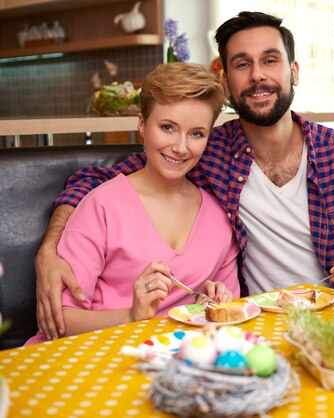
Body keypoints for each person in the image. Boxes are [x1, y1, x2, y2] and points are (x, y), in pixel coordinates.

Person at [35, 11, 334, 340]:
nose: (258, 75)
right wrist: (51, 248)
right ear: (227, 83)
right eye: (242, 64)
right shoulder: (208, 149)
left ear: (293, 71)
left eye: (270, 60)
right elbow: (96, 182)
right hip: (258, 328)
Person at [26, 62, 239, 344]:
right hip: (90, 360)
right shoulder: (101, 206)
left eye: (196, 133)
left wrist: (218, 300)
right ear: (141, 124)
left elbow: (231, 311)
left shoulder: (219, 218)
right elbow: (58, 321)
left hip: (173, 366)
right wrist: (131, 315)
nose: (180, 147)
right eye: (167, 127)